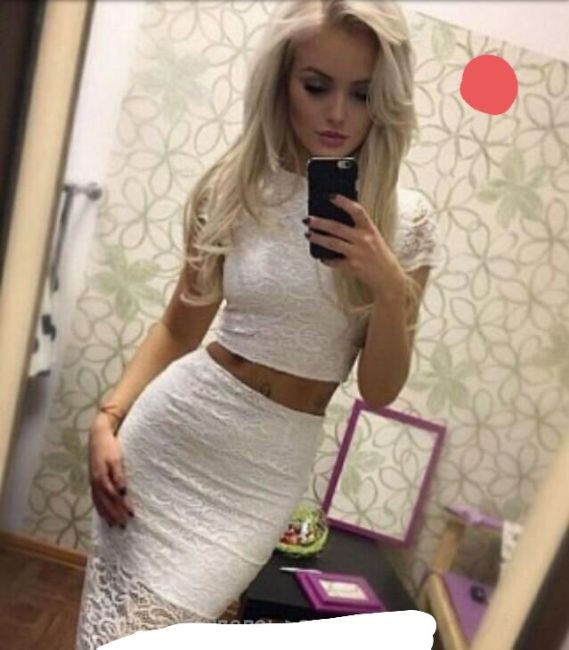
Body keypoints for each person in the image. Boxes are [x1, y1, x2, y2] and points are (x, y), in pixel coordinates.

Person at [75, 0, 441, 647]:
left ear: (384, 99)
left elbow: (380, 389)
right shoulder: (233, 188)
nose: (337, 113)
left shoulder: (404, 223)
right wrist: (109, 418)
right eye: (316, 86)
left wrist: (389, 287)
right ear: (282, 82)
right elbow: (179, 327)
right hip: (172, 440)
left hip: (260, 478)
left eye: (361, 93)